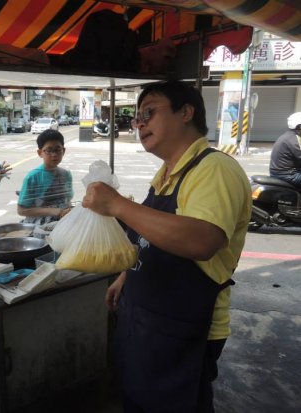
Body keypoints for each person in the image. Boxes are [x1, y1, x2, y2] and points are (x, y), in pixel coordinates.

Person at [82, 80, 251, 412]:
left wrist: (117, 204)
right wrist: (126, 277)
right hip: (146, 319)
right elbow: (153, 237)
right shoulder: (167, 172)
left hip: (184, 331)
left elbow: (201, 239)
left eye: (149, 113)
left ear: (186, 112)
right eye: (137, 118)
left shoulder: (214, 168)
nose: (140, 123)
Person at [17, 129, 73, 225]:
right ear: (40, 153)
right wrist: (54, 211)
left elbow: (67, 201)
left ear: (63, 151)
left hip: (62, 224)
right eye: (49, 150)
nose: (54, 154)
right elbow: (21, 210)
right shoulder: (33, 177)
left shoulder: (66, 174)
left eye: (57, 150)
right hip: (38, 226)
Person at [269, 112, 301, 190]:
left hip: (280, 173)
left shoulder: (289, 135)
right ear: (299, 126)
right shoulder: (294, 139)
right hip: (287, 175)